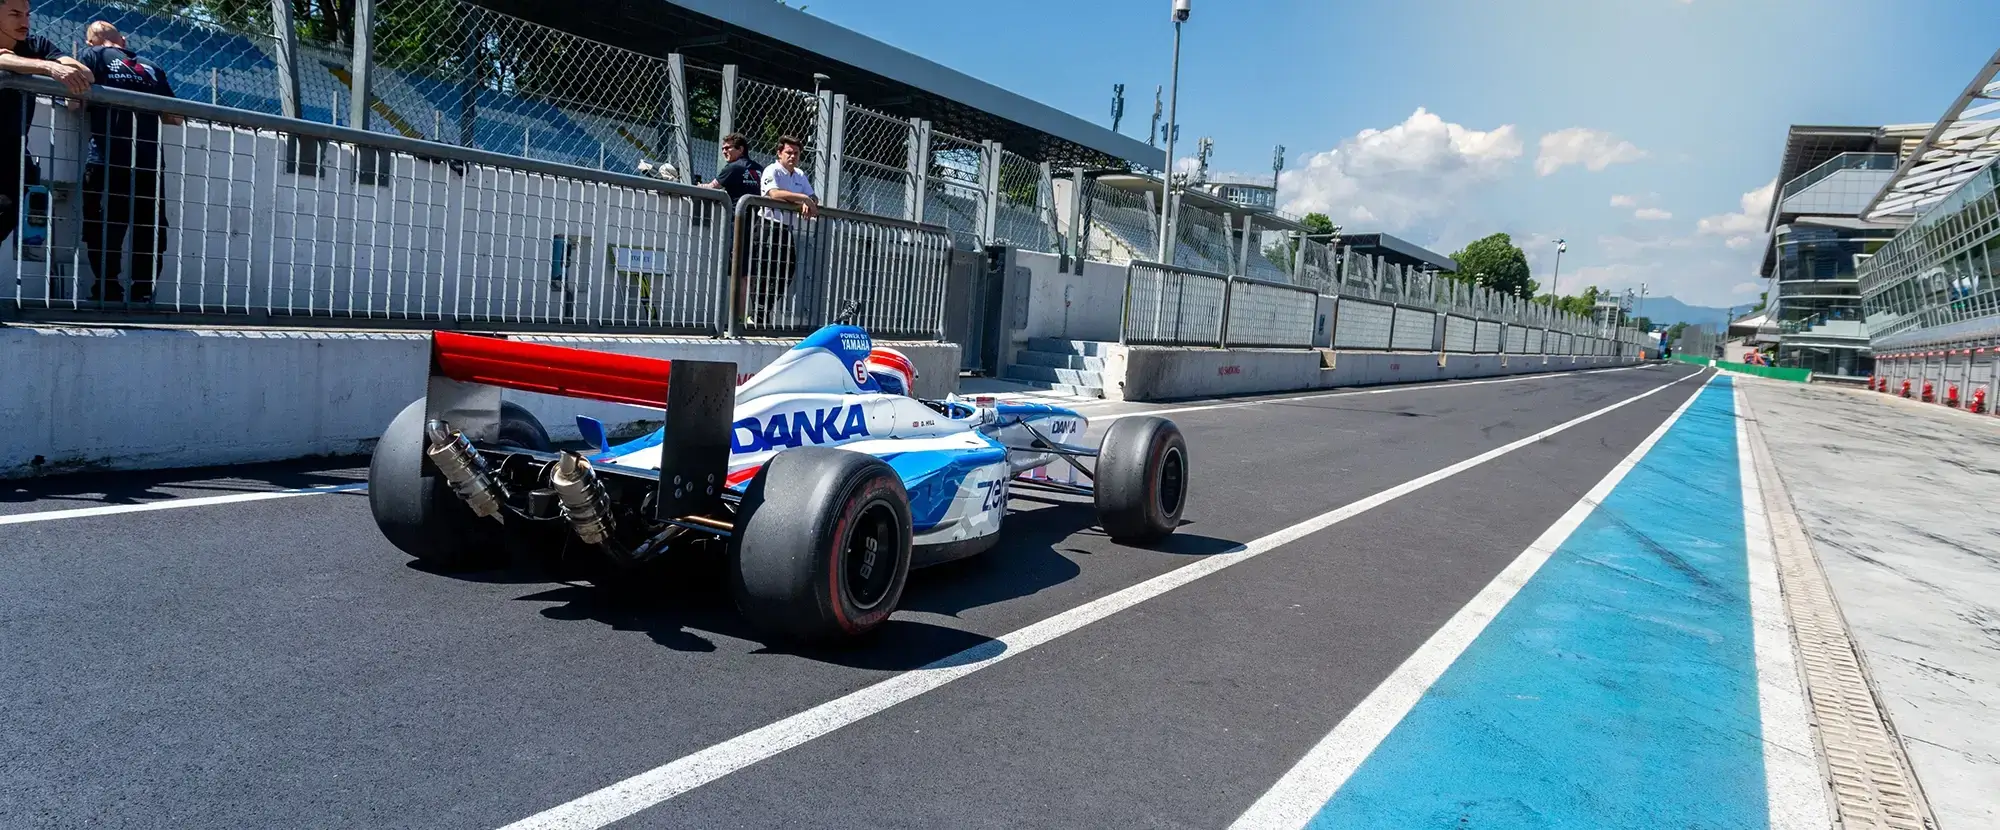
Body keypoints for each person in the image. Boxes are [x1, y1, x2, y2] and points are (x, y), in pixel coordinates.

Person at [76, 20, 177, 303]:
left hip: (108, 156)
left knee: (104, 224)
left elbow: (74, 101)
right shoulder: (151, 66)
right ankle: (143, 290)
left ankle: (107, 288)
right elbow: (175, 117)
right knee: (151, 227)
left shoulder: (91, 56)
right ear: (123, 40)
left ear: (91, 41)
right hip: (148, 159)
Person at [0, 0, 92, 251]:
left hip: (11, 155)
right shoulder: (39, 57)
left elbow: (84, 72)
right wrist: (46, 67)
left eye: (28, 14)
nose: (25, 22)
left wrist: (55, 66)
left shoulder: (35, 45)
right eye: (15, 14)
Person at [748, 134, 818, 325]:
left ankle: (765, 309)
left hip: (786, 228)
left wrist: (808, 200)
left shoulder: (800, 175)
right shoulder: (772, 170)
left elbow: (813, 197)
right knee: (764, 269)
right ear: (779, 153)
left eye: (796, 153)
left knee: (787, 270)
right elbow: (774, 194)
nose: (793, 156)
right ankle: (757, 313)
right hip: (767, 225)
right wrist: (802, 199)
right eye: (789, 152)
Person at [700, 132, 761, 204]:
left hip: (736, 213)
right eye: (722, 149)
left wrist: (699, 186)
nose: (723, 152)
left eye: (727, 148)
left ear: (740, 149)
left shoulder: (733, 167)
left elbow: (712, 187)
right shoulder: (759, 168)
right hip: (757, 213)